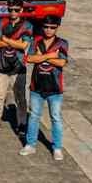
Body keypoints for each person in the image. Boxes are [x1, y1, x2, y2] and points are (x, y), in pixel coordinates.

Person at [21, 16, 68, 161]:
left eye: (52, 27)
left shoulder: (62, 43)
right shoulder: (36, 40)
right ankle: (30, 144)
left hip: (55, 88)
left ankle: (57, 147)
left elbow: (62, 62)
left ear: (57, 28)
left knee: (56, 118)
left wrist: (41, 56)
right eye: (46, 27)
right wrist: (51, 55)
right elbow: (29, 59)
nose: (49, 30)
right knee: (34, 116)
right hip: (37, 87)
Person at [0, 0, 31, 134]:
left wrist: (6, 39)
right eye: (10, 9)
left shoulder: (27, 25)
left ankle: (22, 124)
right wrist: (15, 42)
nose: (13, 12)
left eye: (16, 10)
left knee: (20, 98)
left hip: (19, 67)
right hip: (1, 66)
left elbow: (24, 45)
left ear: (21, 10)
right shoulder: (0, 23)